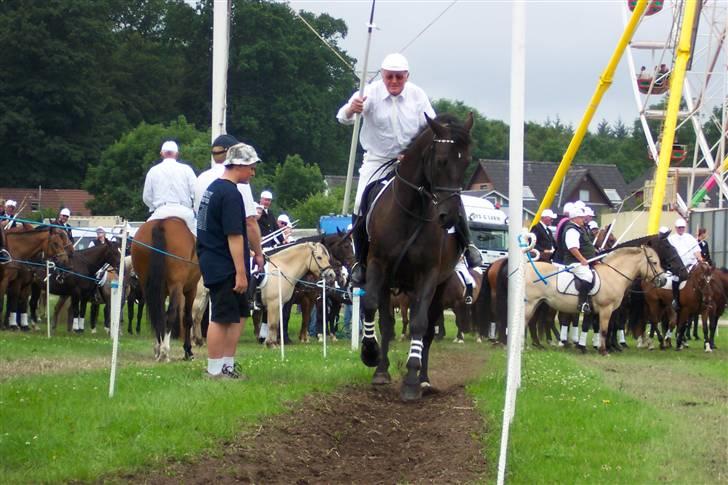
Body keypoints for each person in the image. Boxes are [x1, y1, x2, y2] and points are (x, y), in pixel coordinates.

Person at [336, 52, 482, 285]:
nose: (394, 82)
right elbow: (342, 118)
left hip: (410, 159)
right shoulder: (369, 92)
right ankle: (360, 261)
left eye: (399, 77)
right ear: (383, 76)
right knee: (359, 203)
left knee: (446, 189)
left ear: (407, 76)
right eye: (389, 77)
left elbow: (435, 128)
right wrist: (352, 108)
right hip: (377, 159)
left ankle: (467, 244)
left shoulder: (417, 96)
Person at [197, 142, 260, 379]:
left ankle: (228, 365)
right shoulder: (231, 194)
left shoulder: (214, 188)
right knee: (222, 317)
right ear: (240, 165)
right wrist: (241, 272)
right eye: (251, 168)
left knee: (240, 314)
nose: (253, 173)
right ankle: (214, 370)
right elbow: (234, 235)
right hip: (223, 264)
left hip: (215, 259)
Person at [194, 134, 264, 274]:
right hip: (227, 258)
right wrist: (258, 253)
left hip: (206, 250)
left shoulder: (201, 178)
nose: (252, 172)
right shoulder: (235, 184)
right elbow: (249, 222)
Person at [142, 141, 197, 236]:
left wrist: (154, 207)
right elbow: (196, 192)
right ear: (177, 154)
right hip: (184, 212)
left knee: (143, 237)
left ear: (161, 153)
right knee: (201, 240)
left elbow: (146, 197)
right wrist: (194, 208)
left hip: (161, 212)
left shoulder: (153, 171)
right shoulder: (187, 169)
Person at [555, 205, 596, 314]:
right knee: (588, 276)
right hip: (574, 262)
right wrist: (582, 259)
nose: (583, 219)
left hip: (580, 261)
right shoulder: (572, 230)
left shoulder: (578, 229)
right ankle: (582, 303)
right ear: (575, 218)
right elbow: (572, 248)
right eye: (581, 217)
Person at [667, 218, 703, 311]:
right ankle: (675, 299)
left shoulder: (690, 238)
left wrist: (700, 260)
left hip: (691, 264)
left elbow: (697, 251)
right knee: (675, 279)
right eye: (679, 228)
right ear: (676, 228)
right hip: (678, 267)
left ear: (685, 228)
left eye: (682, 227)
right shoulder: (671, 239)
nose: (681, 229)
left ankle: (703, 300)